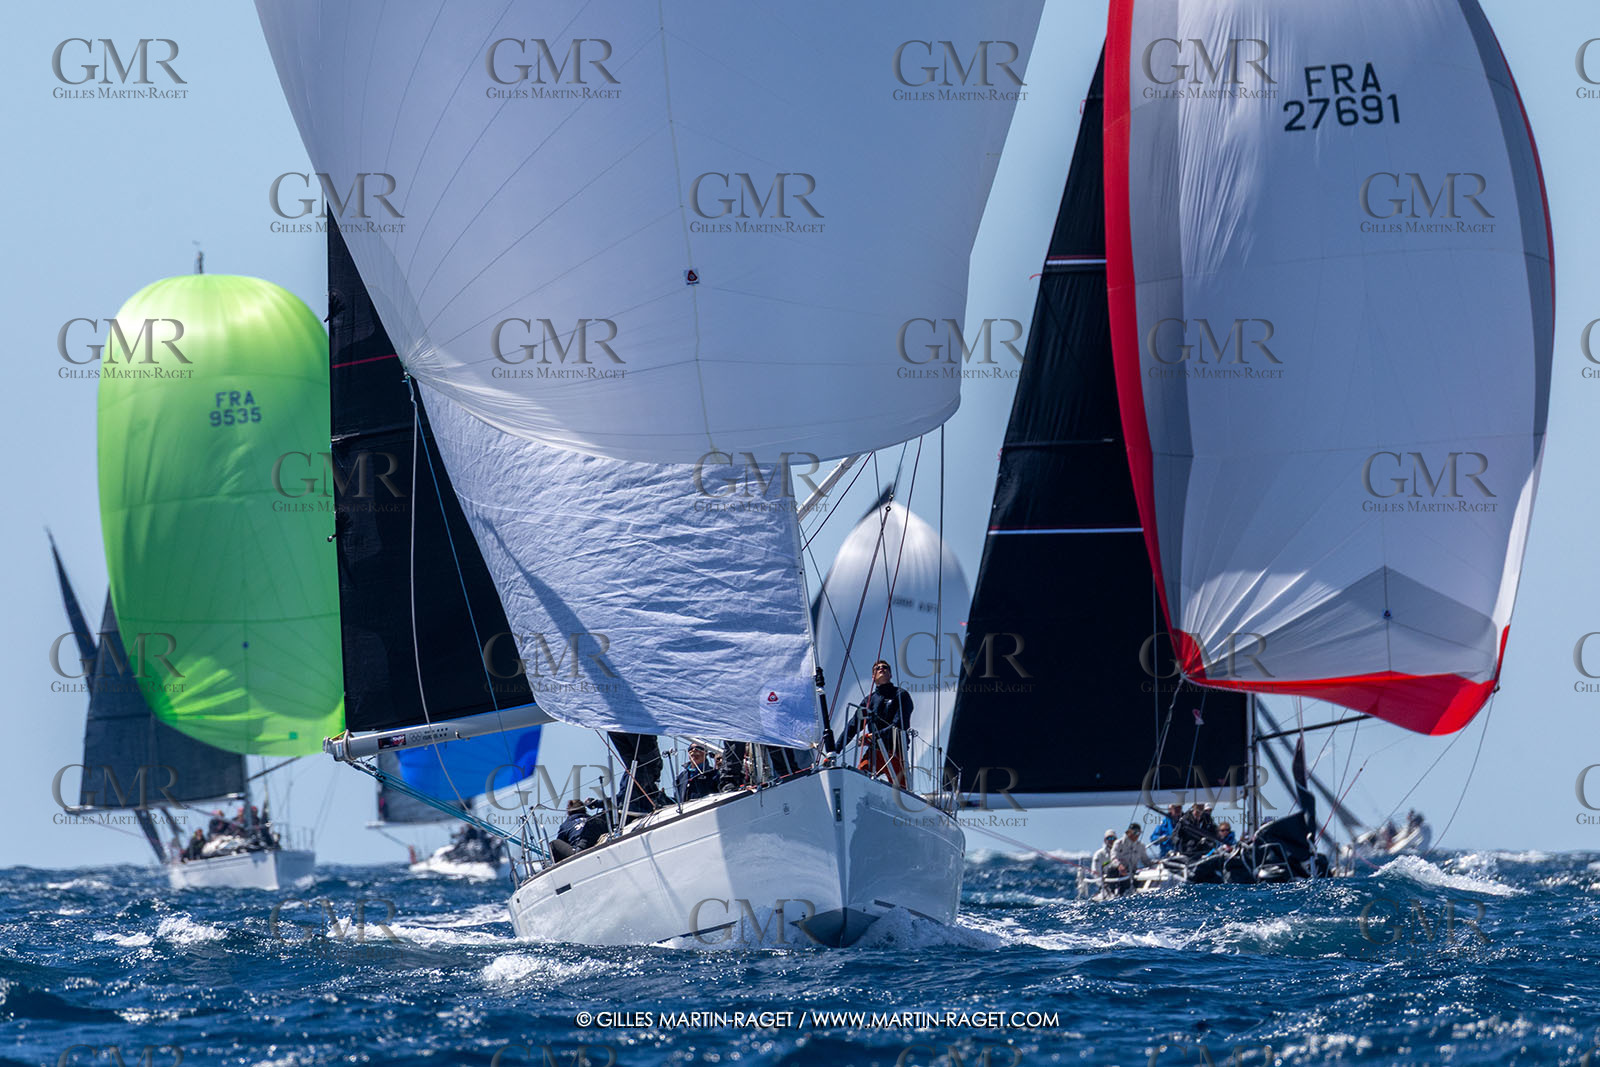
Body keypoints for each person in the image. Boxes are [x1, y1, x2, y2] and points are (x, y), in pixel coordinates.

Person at [842, 660, 914, 787]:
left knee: (902, 791)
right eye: (877, 668)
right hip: (875, 751)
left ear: (890, 674)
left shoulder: (901, 695)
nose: (881, 669)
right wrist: (834, 750)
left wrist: (873, 736)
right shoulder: (868, 700)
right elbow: (853, 725)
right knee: (859, 778)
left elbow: (899, 725)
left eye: (885, 667)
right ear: (873, 676)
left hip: (896, 751)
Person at [1109, 824, 1152, 895]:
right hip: (1118, 872)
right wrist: (1119, 865)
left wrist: (1156, 863)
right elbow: (1113, 857)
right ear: (1128, 832)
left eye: (1139, 833)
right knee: (1112, 871)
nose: (1137, 835)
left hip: (1132, 873)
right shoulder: (1118, 843)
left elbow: (1146, 861)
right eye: (1135, 832)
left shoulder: (1140, 846)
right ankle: (1113, 893)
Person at [1090, 830, 1119, 895]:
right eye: (1109, 838)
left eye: (1113, 838)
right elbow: (1095, 871)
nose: (1111, 840)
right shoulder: (1099, 854)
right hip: (1105, 885)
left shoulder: (1121, 852)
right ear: (1105, 840)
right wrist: (1102, 884)